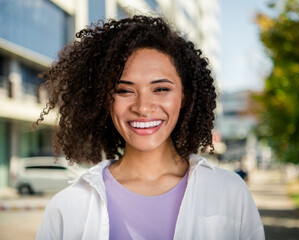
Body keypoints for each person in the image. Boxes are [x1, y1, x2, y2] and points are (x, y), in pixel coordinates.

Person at [35, 15, 264, 240]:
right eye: (124, 90)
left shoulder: (230, 193)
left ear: (185, 96)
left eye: (161, 89)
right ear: (103, 99)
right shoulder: (68, 207)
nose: (143, 107)